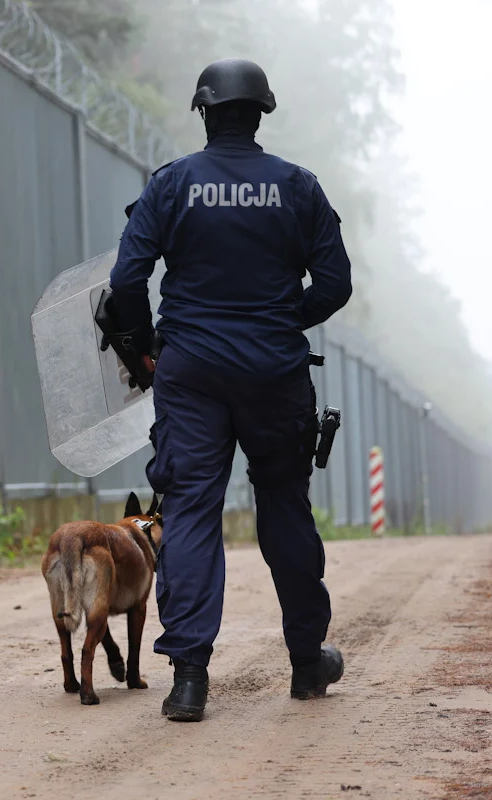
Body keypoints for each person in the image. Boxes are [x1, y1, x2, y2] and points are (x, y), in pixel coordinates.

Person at [106, 59, 353, 722]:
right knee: (284, 506)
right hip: (274, 371)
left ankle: (189, 680)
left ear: (206, 112)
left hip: (192, 372)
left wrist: (148, 342)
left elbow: (128, 280)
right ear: (261, 113)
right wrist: (279, 319)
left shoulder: (173, 184)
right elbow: (334, 286)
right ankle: (307, 661)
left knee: (189, 510)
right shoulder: (299, 188)